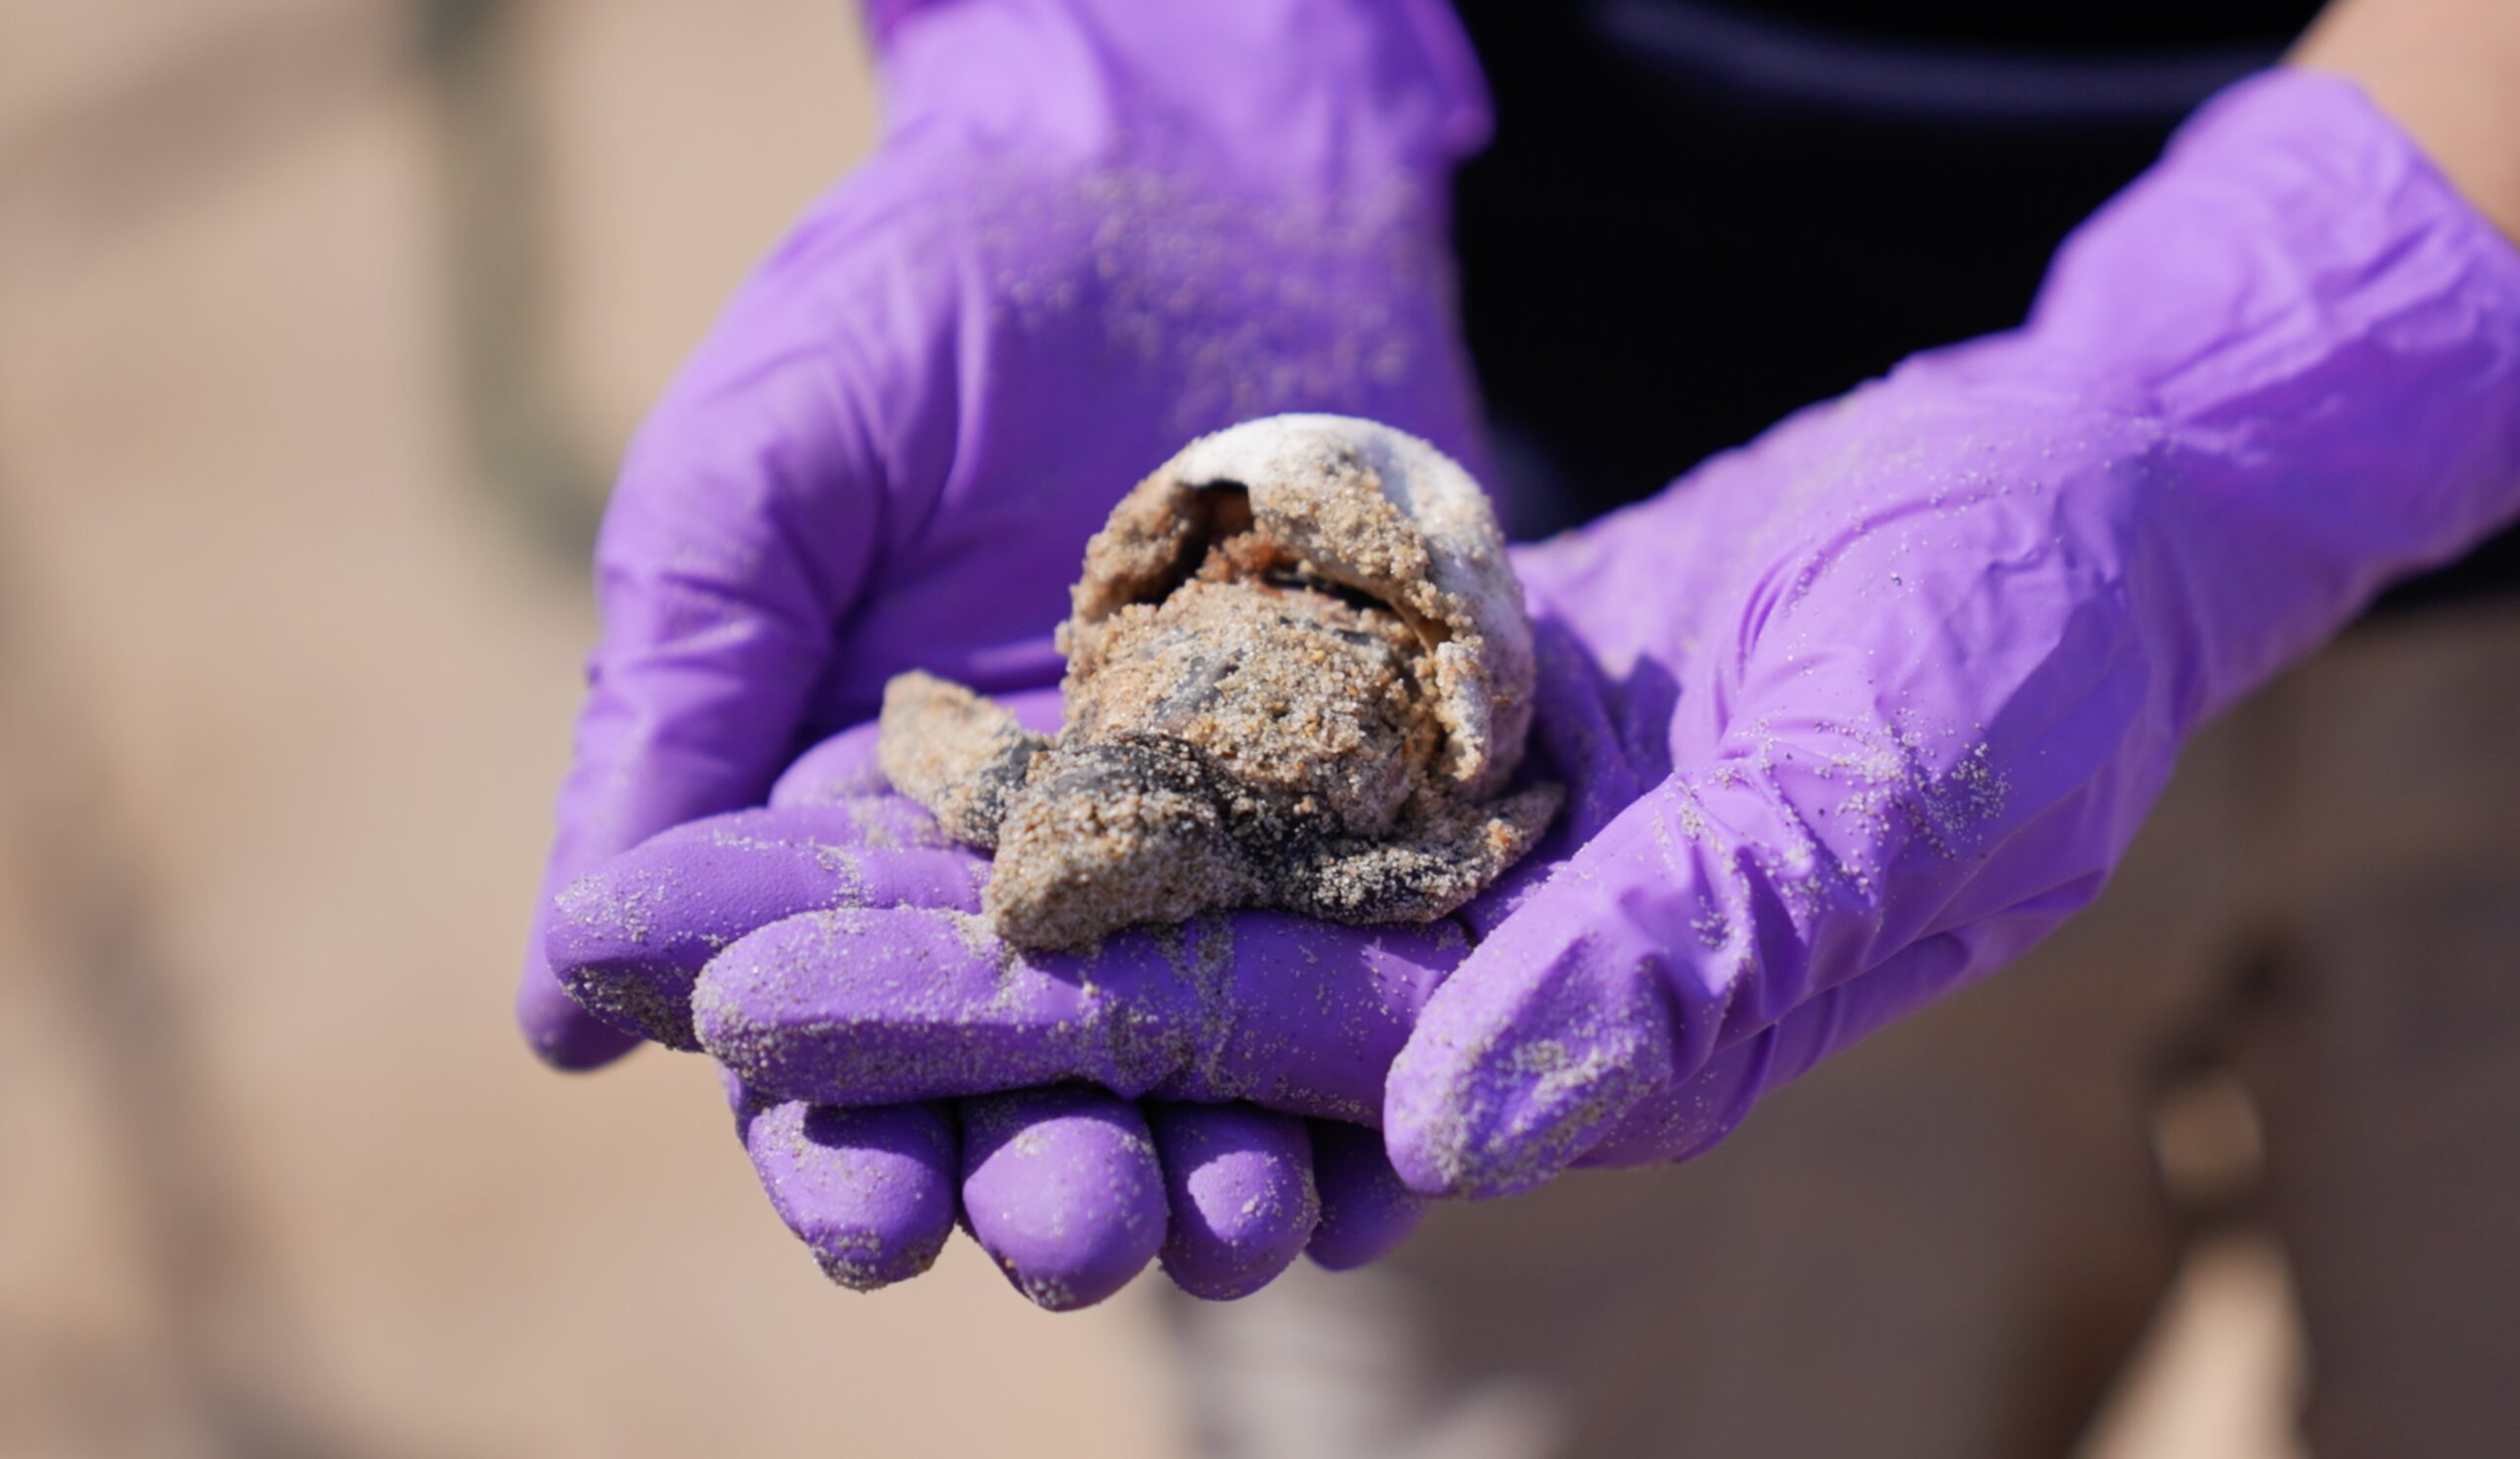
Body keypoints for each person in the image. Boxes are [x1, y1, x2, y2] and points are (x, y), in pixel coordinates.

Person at [523, 0, 2520, 1452]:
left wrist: (2329, 317)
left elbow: (1459, 829)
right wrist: (1172, 52)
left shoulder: (1423, 787)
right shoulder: (1125, 737)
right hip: (1604, 502)